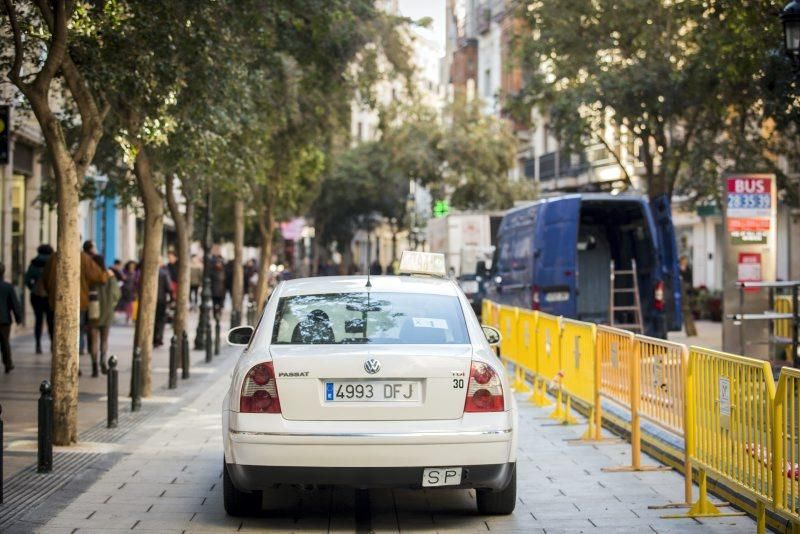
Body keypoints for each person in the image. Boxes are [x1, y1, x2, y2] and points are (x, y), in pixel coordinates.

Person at [42, 242, 108, 373]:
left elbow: (45, 280)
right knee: (76, 333)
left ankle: (64, 363)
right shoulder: (82, 257)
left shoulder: (53, 258)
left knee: (59, 334)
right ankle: (74, 365)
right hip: (78, 302)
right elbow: (100, 276)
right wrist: (106, 275)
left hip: (57, 303)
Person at [89, 255, 121, 376]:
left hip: (93, 311)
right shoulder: (110, 276)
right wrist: (111, 304)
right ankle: (103, 361)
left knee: (93, 340)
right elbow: (116, 294)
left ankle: (94, 367)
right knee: (104, 339)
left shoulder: (90, 275)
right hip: (107, 311)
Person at [24, 244, 54, 354]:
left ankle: (38, 344)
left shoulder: (34, 263)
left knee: (38, 321)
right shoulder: (52, 262)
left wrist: (33, 288)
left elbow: (27, 279)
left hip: (36, 296)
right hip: (49, 296)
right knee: (51, 322)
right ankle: (52, 344)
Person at [0, 262, 23, 373]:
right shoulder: (8, 287)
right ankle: (8, 363)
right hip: (4, 320)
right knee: (5, 342)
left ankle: (8, 363)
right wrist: (18, 318)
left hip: (5, 319)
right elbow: (15, 304)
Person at [154, 260, 172, 347]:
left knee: (154, 319)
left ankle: (153, 337)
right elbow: (169, 287)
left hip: (152, 300)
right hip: (161, 300)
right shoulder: (164, 273)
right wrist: (172, 299)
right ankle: (159, 337)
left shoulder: (147, 272)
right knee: (161, 320)